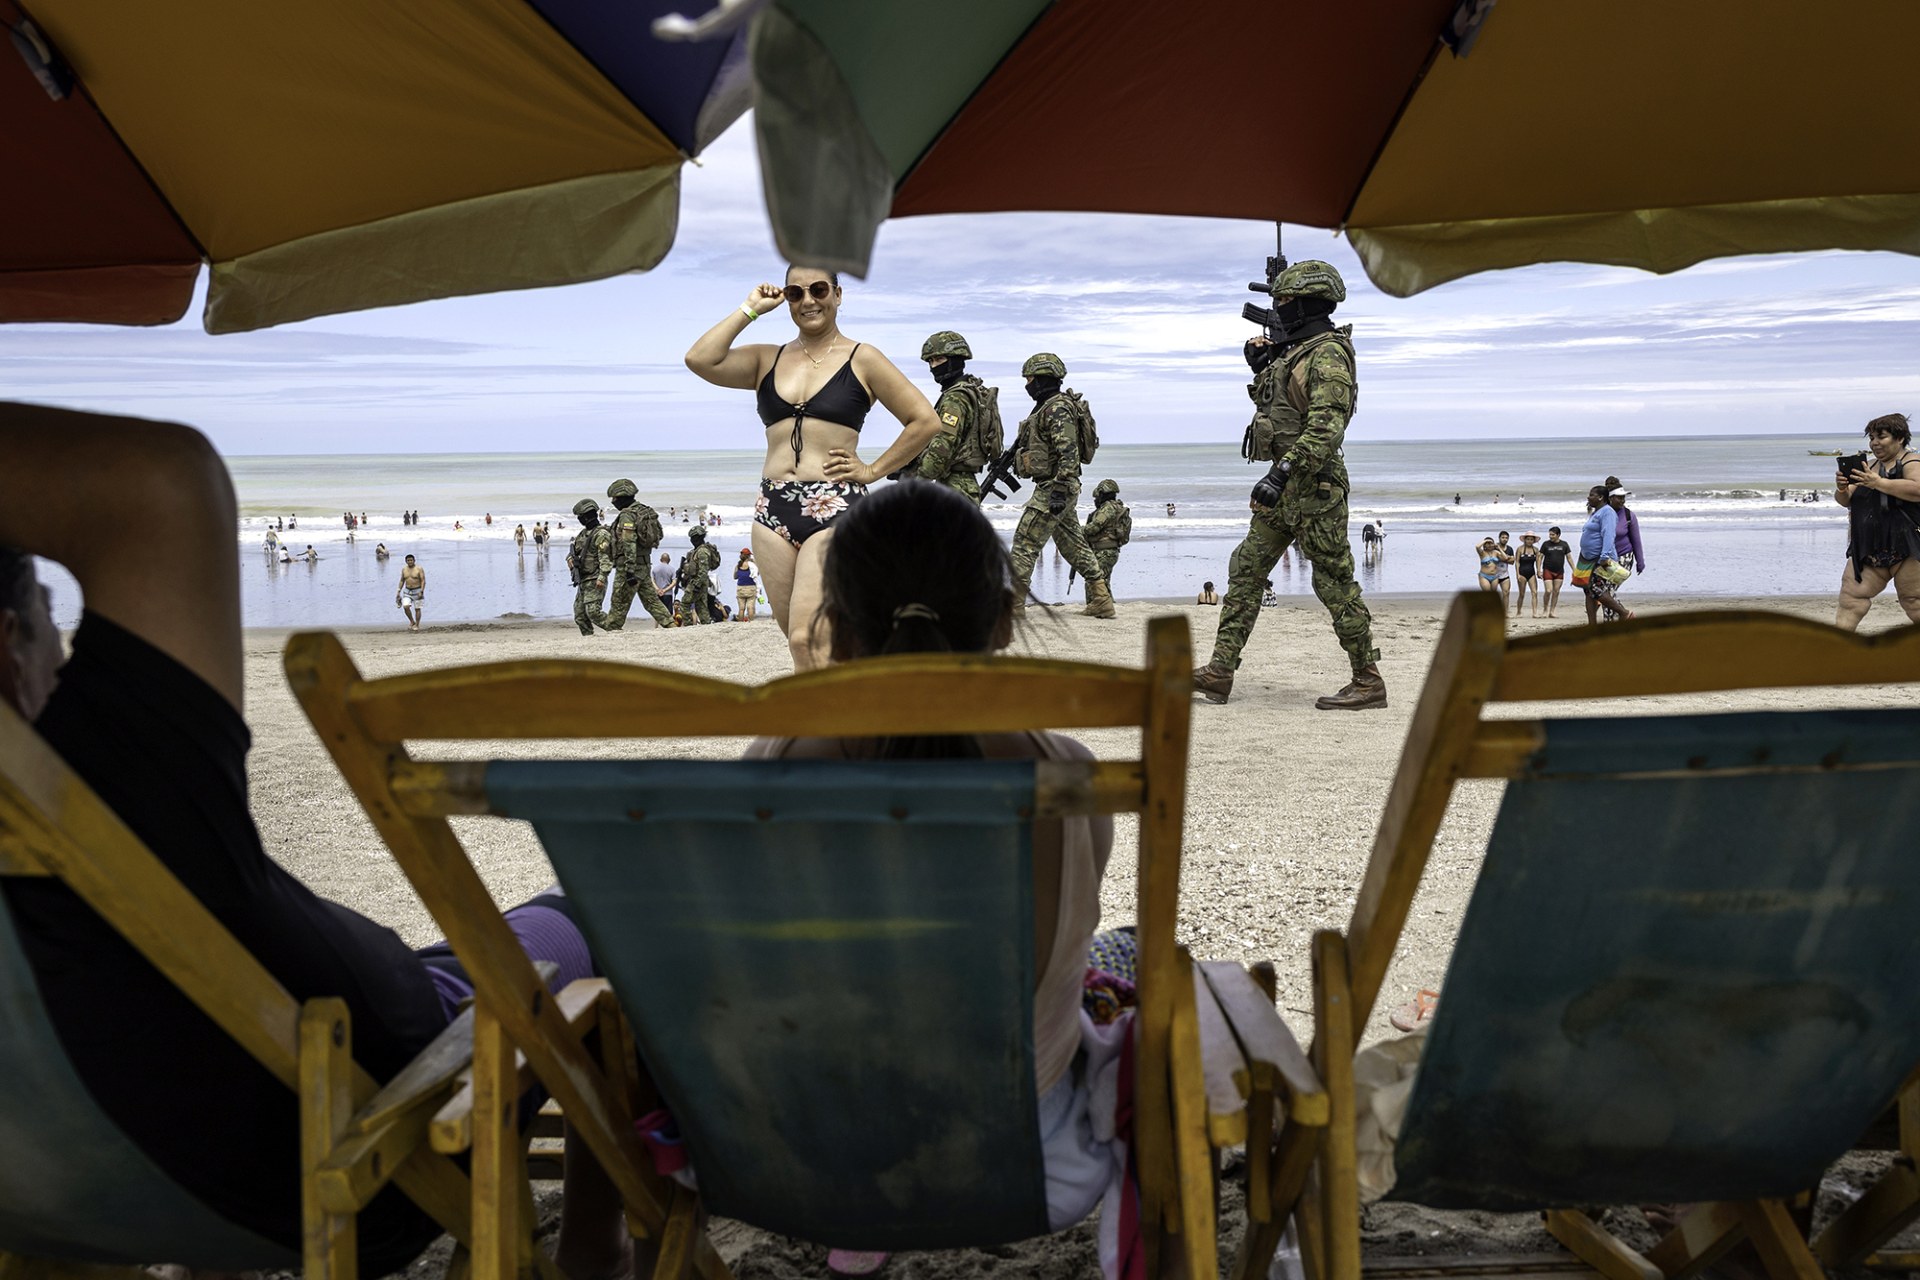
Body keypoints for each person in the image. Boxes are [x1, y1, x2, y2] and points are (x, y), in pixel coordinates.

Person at [0, 403, 625, 1280]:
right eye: (48, 628)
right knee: (584, 922)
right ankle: (598, 1244)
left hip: (58, 1185)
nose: (66, 664)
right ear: (7, 647)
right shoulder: (109, 793)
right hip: (355, 1159)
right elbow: (156, 481)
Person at [748, 480, 1120, 1250]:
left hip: (803, 1161)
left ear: (837, 632)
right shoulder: (1071, 779)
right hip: (1029, 1165)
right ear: (1005, 624)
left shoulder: (770, 770)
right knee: (1128, 953)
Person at [683, 266, 942, 670]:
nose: (808, 300)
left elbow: (924, 421)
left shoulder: (863, 358)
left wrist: (872, 471)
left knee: (807, 639)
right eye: (795, 292)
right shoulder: (766, 359)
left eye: (818, 290)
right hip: (771, 512)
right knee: (801, 642)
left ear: (838, 295)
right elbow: (699, 359)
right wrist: (750, 309)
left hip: (835, 508)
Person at [1194, 260, 1383, 709]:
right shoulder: (1297, 352)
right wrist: (1262, 366)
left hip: (1314, 487)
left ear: (1306, 304)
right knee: (1245, 569)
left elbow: (1325, 427)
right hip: (1287, 487)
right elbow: (1281, 409)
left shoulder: (1329, 353)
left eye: (1284, 300)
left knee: (1334, 583)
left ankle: (1368, 679)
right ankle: (1220, 672)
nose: (1278, 308)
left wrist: (1280, 473)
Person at [1006, 354, 1115, 618]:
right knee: (1072, 544)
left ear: (1044, 378)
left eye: (1031, 379)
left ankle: (1014, 605)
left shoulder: (1057, 408)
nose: (1028, 384)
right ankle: (1101, 599)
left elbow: (1069, 452)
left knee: (1024, 542)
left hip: (1055, 487)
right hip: (1058, 486)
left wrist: (1058, 489)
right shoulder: (1048, 407)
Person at [1835, 412, 1920, 629]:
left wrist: (1878, 482)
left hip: (1909, 546)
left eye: (1881, 437)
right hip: (1869, 546)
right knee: (1850, 598)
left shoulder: (1912, 461)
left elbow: (1917, 489)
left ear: (1899, 438)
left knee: (1913, 601)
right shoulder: (1868, 467)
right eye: (1871, 438)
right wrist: (1842, 489)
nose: (1874, 443)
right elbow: (1845, 500)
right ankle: (1837, 650)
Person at [912, 330, 997, 502]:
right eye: (931, 361)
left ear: (956, 359)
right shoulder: (970, 390)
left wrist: (917, 482)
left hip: (955, 487)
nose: (934, 366)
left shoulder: (956, 397)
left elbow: (943, 445)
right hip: (959, 486)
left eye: (939, 359)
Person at [604, 479, 673, 631]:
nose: (613, 502)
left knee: (619, 603)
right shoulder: (645, 511)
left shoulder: (627, 514)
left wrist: (629, 570)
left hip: (630, 567)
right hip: (645, 564)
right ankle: (671, 624)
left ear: (622, 498)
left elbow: (629, 543)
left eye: (614, 499)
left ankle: (613, 630)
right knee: (651, 601)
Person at [1573, 486, 1632, 624]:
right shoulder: (1596, 512)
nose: (1588, 497)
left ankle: (1624, 613)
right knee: (1588, 590)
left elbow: (1609, 535)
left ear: (1600, 497)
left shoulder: (1608, 512)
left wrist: (1604, 556)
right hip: (1588, 558)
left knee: (1595, 588)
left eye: (1591, 495)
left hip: (1601, 559)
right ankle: (1592, 625)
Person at [566, 499, 613, 636]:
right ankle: (589, 638)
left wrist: (602, 577)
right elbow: (574, 551)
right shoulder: (583, 534)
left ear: (587, 516)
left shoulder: (601, 534)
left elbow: (605, 558)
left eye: (580, 517)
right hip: (583, 579)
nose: (579, 519)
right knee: (580, 615)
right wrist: (569, 559)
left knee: (593, 611)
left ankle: (615, 630)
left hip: (595, 577)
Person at [1081, 479, 1132, 586]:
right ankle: (1106, 602)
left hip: (1104, 552)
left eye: (1097, 497)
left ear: (1102, 494)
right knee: (1103, 583)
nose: (1095, 500)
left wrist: (1079, 529)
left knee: (1095, 584)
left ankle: (1099, 603)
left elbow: (1093, 528)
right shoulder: (1117, 507)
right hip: (1110, 551)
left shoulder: (1107, 509)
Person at [1602, 479, 1648, 579]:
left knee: (1607, 590)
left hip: (1623, 557)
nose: (1623, 500)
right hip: (1603, 558)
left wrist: (1640, 562)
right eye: (1619, 498)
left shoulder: (1629, 516)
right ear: (1610, 498)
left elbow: (1636, 540)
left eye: (1624, 497)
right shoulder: (1600, 514)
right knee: (1595, 590)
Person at [677, 525, 720, 625]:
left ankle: (688, 624)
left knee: (684, 603)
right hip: (699, 581)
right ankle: (706, 624)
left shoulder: (702, 551)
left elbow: (703, 570)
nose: (692, 540)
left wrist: (697, 584)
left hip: (698, 582)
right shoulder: (696, 551)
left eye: (693, 538)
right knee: (701, 606)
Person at [1537, 527, 1570, 617]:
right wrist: (1538, 570)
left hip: (1559, 571)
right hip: (1547, 570)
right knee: (1548, 590)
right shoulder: (1546, 544)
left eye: (1553, 535)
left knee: (1556, 591)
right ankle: (1545, 610)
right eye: (1550, 534)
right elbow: (1540, 557)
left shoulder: (1564, 544)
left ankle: (1552, 611)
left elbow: (1569, 558)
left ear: (1558, 535)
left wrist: (1574, 570)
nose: (1550, 536)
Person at [1513, 532, 1541, 617]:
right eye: (1528, 539)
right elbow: (1517, 562)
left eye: (1531, 539)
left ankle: (1535, 612)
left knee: (1535, 592)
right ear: (1525, 540)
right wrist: (1517, 574)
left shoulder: (1536, 550)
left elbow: (1538, 562)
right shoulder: (1520, 549)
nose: (1529, 541)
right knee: (1522, 594)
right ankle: (1518, 611)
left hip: (1531, 573)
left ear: (1534, 541)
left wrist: (1538, 571)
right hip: (1522, 573)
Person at [396, 553, 425, 630]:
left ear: (414, 560)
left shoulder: (419, 569)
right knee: (405, 606)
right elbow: (402, 580)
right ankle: (412, 621)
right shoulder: (404, 569)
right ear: (406, 561)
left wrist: (422, 591)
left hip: (418, 590)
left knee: (417, 609)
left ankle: (417, 625)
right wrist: (398, 591)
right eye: (408, 560)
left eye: (411, 560)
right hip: (407, 591)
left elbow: (423, 580)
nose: (410, 562)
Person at [734, 548, 759, 621]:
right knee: (750, 607)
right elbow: (757, 574)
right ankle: (751, 622)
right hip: (751, 587)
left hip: (740, 588)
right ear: (749, 556)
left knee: (741, 609)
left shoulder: (738, 565)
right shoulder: (752, 566)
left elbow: (735, 577)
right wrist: (754, 562)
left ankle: (741, 622)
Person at [652, 551, 676, 619]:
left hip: (658, 593)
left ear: (660, 560)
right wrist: (665, 590)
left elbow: (652, 581)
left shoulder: (655, 569)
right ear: (669, 560)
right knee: (669, 612)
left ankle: (656, 627)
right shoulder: (672, 569)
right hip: (668, 593)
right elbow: (674, 582)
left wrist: (658, 589)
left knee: (658, 612)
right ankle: (669, 626)